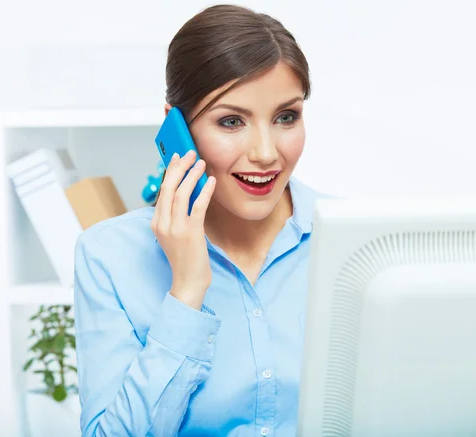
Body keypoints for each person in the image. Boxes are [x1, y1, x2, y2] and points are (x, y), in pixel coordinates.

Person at [73, 4, 323, 436]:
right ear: (176, 126)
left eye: (286, 117)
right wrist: (186, 292)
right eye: (231, 121)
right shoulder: (108, 256)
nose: (265, 153)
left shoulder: (352, 236)